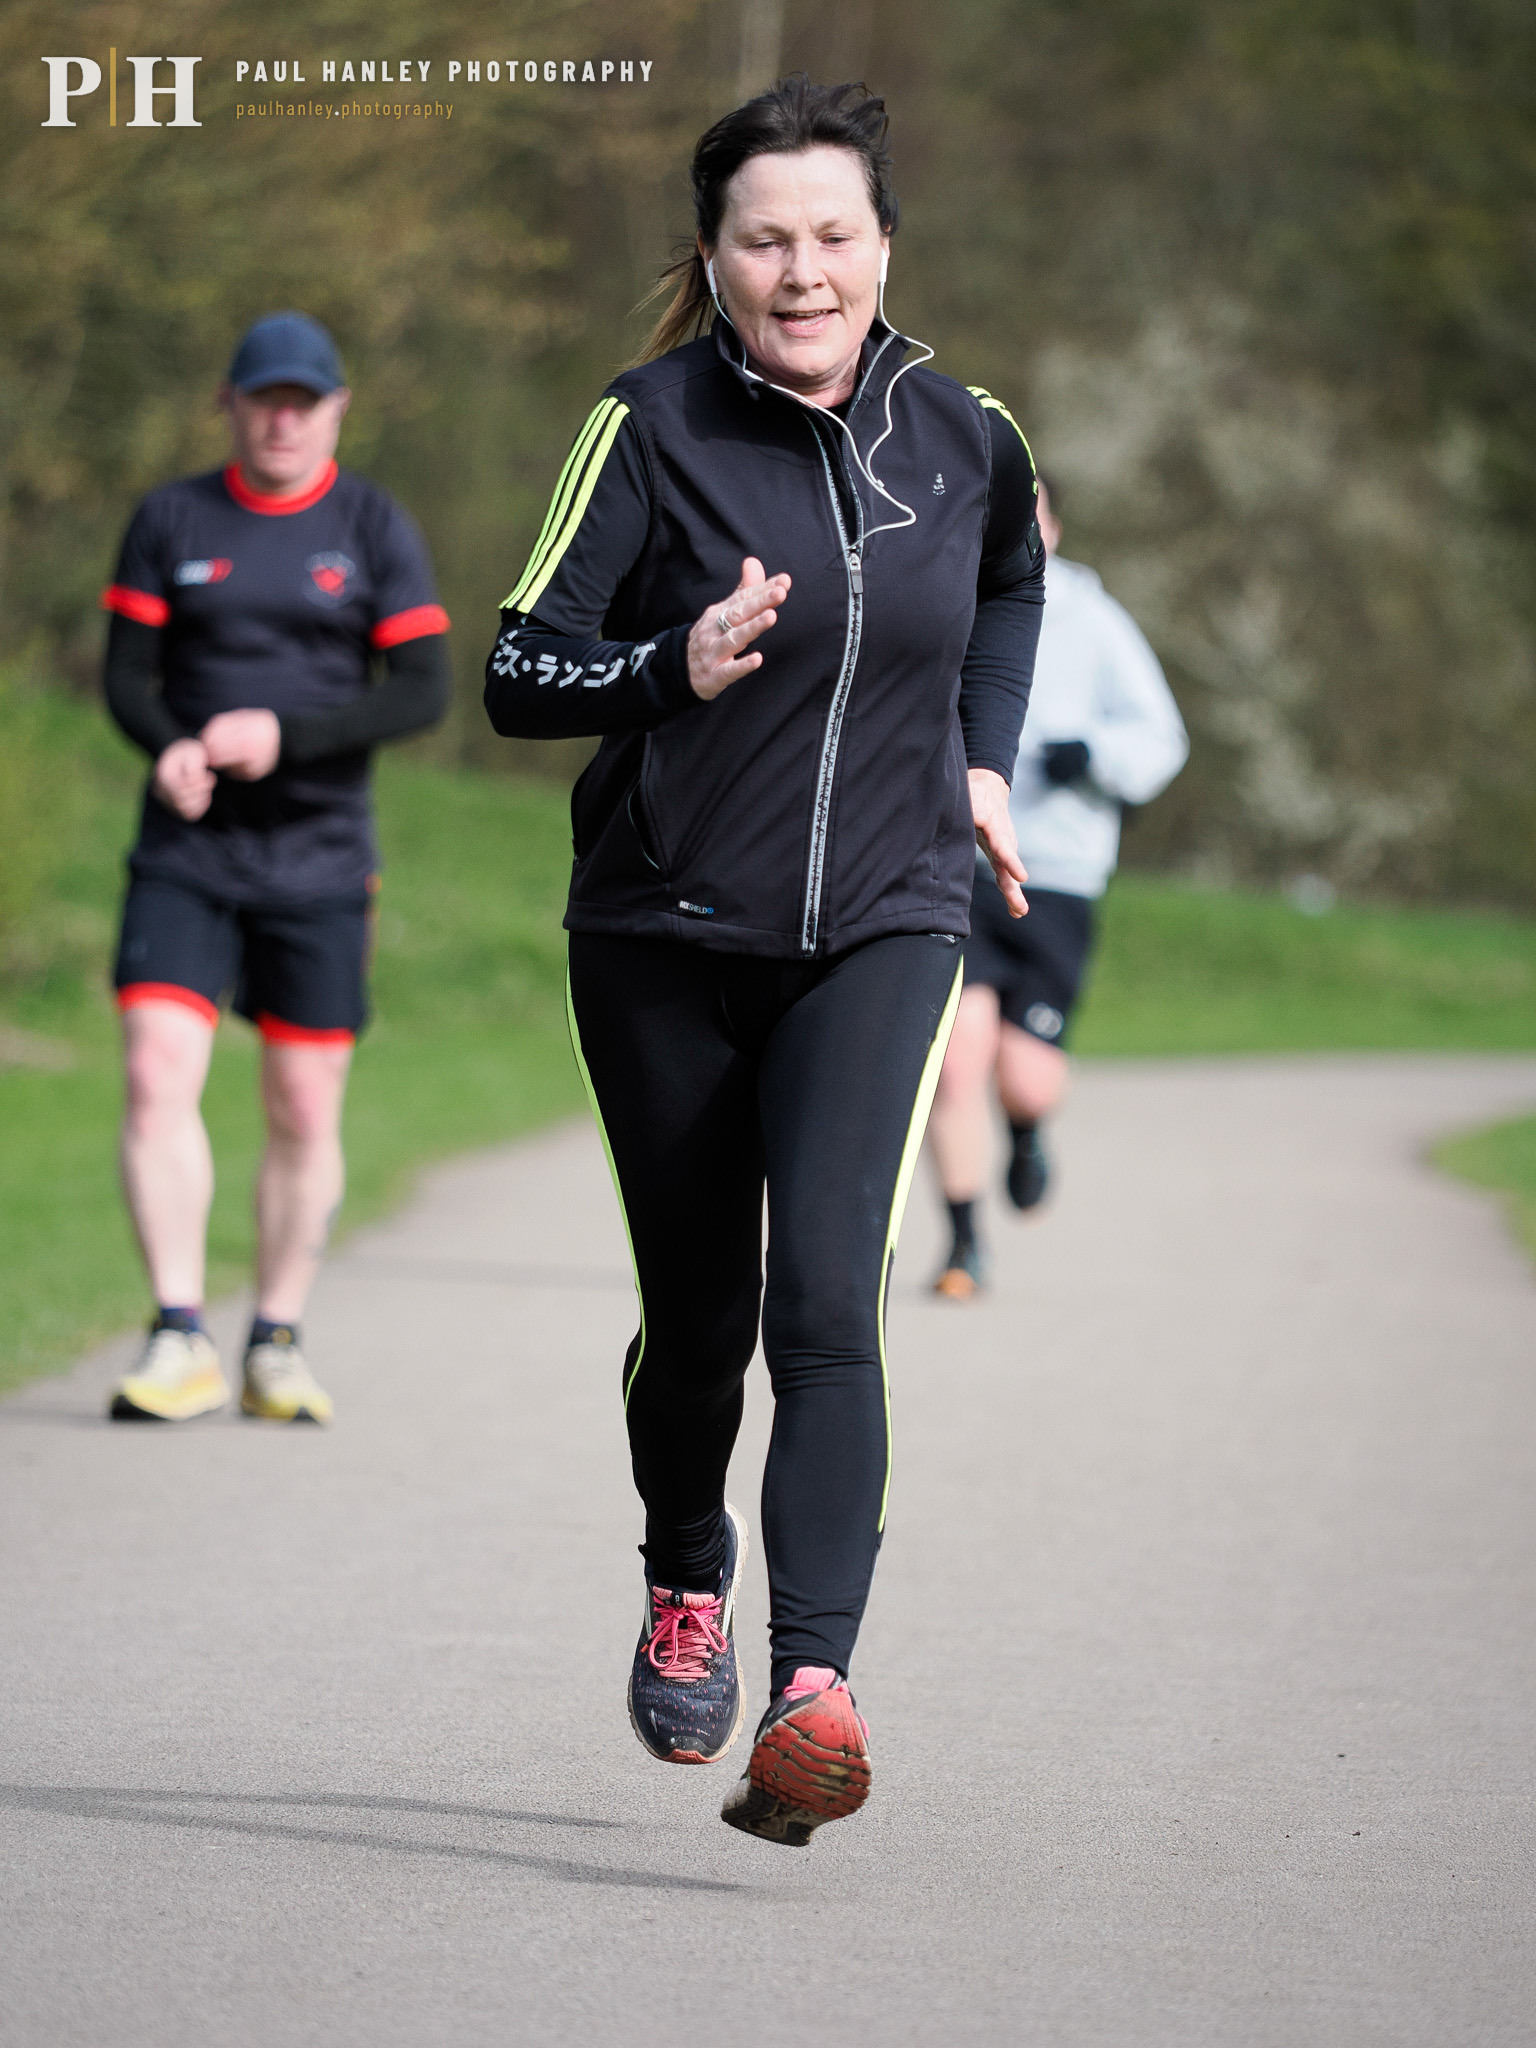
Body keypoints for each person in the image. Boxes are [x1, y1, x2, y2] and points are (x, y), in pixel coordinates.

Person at [484, 77, 1043, 1846]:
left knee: (825, 1301)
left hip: (889, 911)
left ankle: (813, 1689)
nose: (802, 270)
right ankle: (680, 1565)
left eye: (831, 235)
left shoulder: (967, 433)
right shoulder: (644, 426)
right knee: (703, 1321)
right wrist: (672, 667)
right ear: (714, 258)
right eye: (764, 240)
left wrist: (978, 760)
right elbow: (519, 672)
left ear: (882, 244)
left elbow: (1013, 590)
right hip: (664, 931)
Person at [101, 312, 451, 1425]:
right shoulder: (171, 517)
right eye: (266, 398)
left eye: (306, 400)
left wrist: (284, 738)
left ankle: (276, 1338)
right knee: (158, 1070)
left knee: (302, 1101)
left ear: (337, 409)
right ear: (233, 404)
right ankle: (176, 1331)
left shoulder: (372, 525)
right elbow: (127, 675)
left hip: (320, 854)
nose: (284, 416)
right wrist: (166, 747)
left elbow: (422, 689)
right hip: (189, 849)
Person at [928, 475, 1188, 1297]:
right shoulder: (939, 597)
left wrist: (1095, 759)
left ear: (1056, 528)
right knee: (953, 1062)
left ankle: (1029, 1127)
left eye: (1030, 512)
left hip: (1057, 874)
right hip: (950, 861)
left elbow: (1160, 736)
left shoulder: (1094, 620)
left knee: (1023, 1076)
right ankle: (966, 1244)